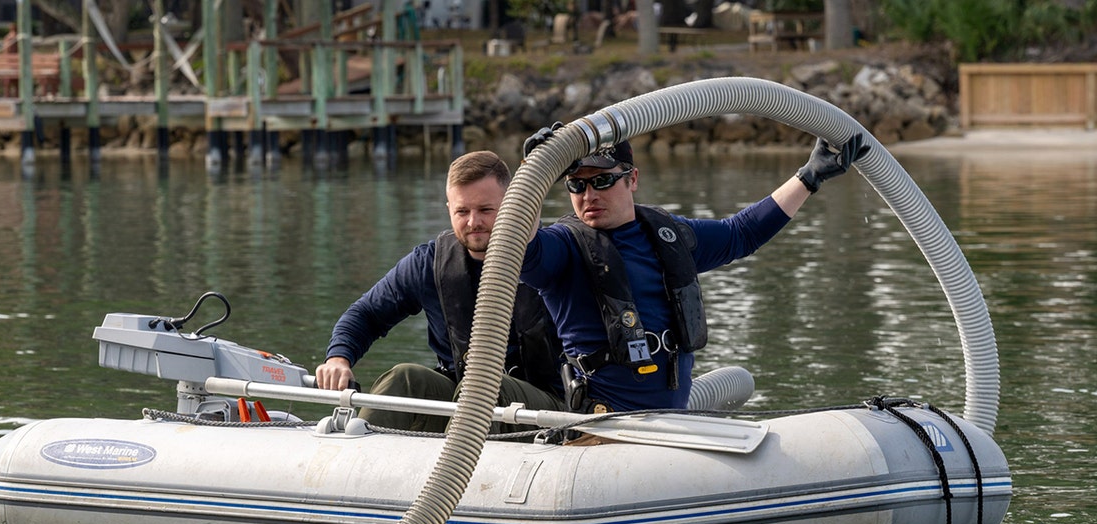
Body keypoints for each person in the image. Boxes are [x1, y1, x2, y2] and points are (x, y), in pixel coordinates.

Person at [520, 132, 869, 413]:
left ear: (633, 179)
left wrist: (809, 177)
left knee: (738, 387)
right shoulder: (561, 248)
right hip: (601, 430)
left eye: (602, 181)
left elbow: (741, 234)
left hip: (674, 423)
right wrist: (531, 178)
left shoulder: (667, 235)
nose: (589, 194)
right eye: (576, 185)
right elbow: (522, 252)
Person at [316, 150, 565, 433]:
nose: (473, 222)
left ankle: (454, 470)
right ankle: (360, 462)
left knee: (483, 385)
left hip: (548, 409)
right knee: (404, 378)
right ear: (449, 208)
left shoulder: (554, 255)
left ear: (513, 205)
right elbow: (366, 314)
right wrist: (338, 357)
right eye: (462, 211)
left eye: (485, 210)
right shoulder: (429, 263)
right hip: (464, 398)